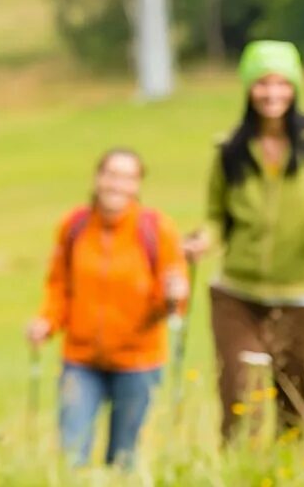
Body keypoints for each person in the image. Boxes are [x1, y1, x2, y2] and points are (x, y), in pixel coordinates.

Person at [183, 40, 304, 444]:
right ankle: (237, 475)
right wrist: (201, 241)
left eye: (282, 83)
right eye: (262, 83)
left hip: (303, 294)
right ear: (248, 88)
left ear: (295, 87)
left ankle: (288, 475)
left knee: (294, 408)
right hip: (238, 294)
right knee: (238, 401)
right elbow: (216, 216)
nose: (272, 93)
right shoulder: (230, 149)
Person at [29, 148, 187, 467]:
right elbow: (59, 285)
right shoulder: (74, 227)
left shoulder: (157, 230)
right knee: (71, 456)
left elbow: (172, 298)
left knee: (124, 458)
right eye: (111, 175)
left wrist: (174, 297)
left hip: (138, 362)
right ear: (98, 178)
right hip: (81, 359)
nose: (117, 185)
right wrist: (46, 322)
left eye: (127, 177)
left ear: (137, 186)